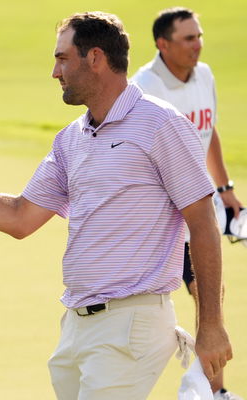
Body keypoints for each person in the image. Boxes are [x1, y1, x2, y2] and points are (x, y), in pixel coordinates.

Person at [0, 12, 232, 400]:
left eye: (62, 59)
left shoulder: (160, 124)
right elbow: (19, 217)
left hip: (132, 324)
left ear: (95, 58)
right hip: (78, 325)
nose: (54, 73)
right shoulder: (71, 139)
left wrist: (210, 324)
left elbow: (203, 221)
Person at [132, 8, 243, 399]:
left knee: (210, 294)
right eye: (188, 39)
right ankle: (207, 388)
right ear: (163, 44)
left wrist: (225, 187)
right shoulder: (143, 87)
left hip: (201, 207)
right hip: (163, 216)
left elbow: (208, 132)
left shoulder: (206, 74)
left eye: (199, 36)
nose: (197, 45)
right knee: (189, 296)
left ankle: (212, 389)